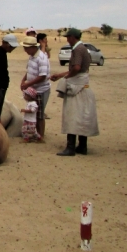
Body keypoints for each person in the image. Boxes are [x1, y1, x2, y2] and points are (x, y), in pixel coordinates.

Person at [51, 28, 98, 156]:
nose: (67, 39)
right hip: (84, 86)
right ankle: (82, 146)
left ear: (73, 37)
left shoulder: (77, 49)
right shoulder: (84, 49)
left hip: (77, 87)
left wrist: (67, 77)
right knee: (82, 117)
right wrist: (61, 75)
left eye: (68, 37)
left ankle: (70, 147)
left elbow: (76, 67)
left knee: (71, 115)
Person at [20, 35, 50, 139]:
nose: (25, 50)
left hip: (41, 89)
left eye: (26, 48)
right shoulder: (32, 56)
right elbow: (29, 70)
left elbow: (42, 76)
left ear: (32, 47)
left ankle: (41, 135)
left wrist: (27, 84)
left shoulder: (41, 58)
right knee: (33, 111)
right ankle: (34, 133)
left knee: (40, 114)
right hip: (32, 89)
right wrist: (24, 80)